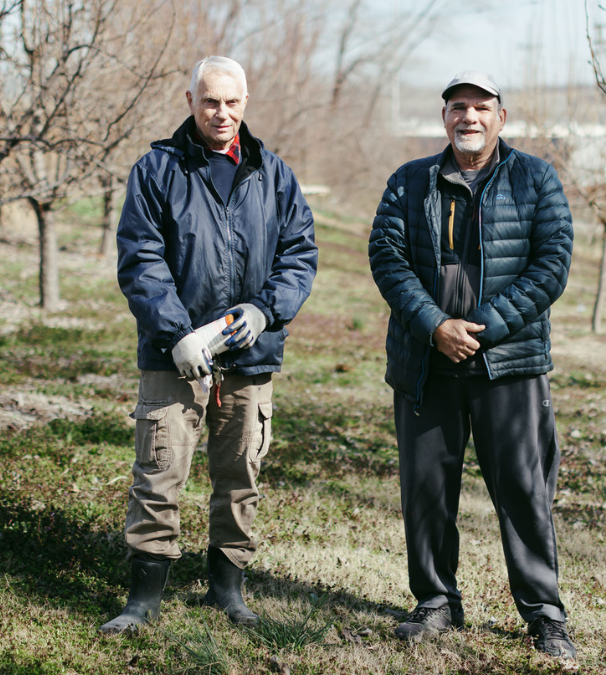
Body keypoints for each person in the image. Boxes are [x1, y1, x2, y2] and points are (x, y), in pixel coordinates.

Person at [101, 56, 317, 634]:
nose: (221, 113)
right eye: (209, 101)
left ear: (246, 102)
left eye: (232, 102)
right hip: (172, 358)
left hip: (249, 357)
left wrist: (263, 309)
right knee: (159, 472)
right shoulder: (157, 170)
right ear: (190, 100)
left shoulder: (275, 174)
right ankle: (143, 598)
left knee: (241, 474)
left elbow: (299, 255)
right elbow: (141, 259)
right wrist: (176, 335)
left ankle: (228, 589)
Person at [367, 71, 576, 659]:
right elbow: (386, 256)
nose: (470, 118)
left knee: (522, 491)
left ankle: (544, 615)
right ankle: (435, 602)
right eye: (459, 108)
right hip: (426, 364)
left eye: (481, 107)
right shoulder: (410, 181)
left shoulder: (535, 178)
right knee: (427, 489)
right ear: (444, 119)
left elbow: (551, 263)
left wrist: (483, 330)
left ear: (501, 118)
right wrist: (434, 326)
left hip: (507, 365)